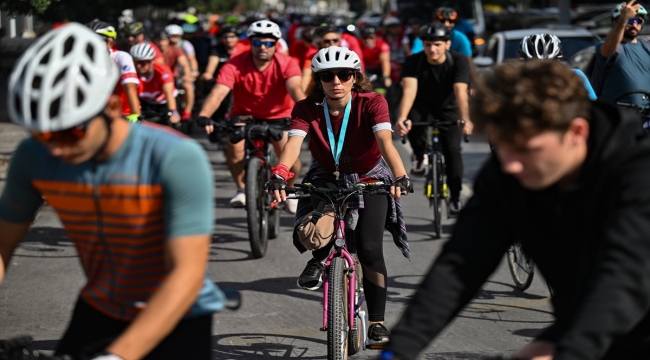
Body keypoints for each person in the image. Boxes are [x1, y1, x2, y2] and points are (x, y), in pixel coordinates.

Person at [382, 59, 650, 360]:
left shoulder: (637, 172)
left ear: (576, 132)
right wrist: (395, 353)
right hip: (580, 323)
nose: (509, 164)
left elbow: (623, 279)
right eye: (503, 146)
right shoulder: (509, 173)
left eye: (526, 149)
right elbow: (459, 266)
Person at [1, 23, 224, 360]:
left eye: (70, 132)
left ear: (110, 108)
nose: (57, 151)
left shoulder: (175, 157)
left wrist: (119, 355)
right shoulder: (33, 156)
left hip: (178, 312)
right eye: (44, 135)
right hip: (101, 303)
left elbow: (186, 273)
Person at [265, 46, 412, 345]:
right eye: (328, 76)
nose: (337, 81)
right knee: (316, 231)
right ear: (318, 80)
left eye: (344, 75)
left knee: (370, 249)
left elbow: (385, 141)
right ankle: (320, 258)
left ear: (355, 77)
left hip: (370, 176)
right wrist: (280, 172)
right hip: (327, 175)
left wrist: (400, 175)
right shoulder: (306, 107)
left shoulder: (372, 102)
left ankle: (377, 323)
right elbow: (293, 144)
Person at [195, 20, 304, 210]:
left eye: (269, 43)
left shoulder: (287, 63)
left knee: (290, 157)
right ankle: (241, 189)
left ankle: (290, 189)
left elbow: (295, 88)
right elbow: (219, 91)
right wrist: (204, 114)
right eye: (257, 43)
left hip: (279, 115)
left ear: (276, 45)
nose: (263, 47)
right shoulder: (235, 64)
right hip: (244, 115)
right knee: (234, 145)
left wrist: (306, 112)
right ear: (250, 43)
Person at [394, 23, 472, 215]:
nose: (432, 49)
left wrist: (466, 118)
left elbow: (460, 91)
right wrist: (402, 118)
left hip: (449, 107)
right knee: (412, 121)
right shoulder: (414, 61)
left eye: (437, 44)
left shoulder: (459, 61)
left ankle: (455, 197)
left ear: (447, 44)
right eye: (428, 44)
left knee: (452, 150)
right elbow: (410, 90)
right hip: (423, 105)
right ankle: (420, 155)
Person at [594, 1, 650, 107]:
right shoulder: (608, 45)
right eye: (630, 20)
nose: (634, 24)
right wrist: (623, 19)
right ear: (615, 22)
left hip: (646, 115)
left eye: (638, 20)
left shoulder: (647, 47)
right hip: (617, 116)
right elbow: (609, 46)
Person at [86, 20, 141, 122]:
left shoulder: (121, 57)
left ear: (110, 43)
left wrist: (136, 115)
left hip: (124, 113)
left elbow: (130, 88)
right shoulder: (85, 59)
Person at [519, 33, 597, 100]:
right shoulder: (517, 81)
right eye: (535, 65)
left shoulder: (574, 75)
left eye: (549, 65)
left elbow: (592, 104)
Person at [130, 43, 182, 126]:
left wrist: (173, 111)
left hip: (165, 101)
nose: (138, 66)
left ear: (151, 61)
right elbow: (132, 96)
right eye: (135, 62)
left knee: (172, 124)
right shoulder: (131, 73)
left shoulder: (162, 71)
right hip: (146, 103)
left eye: (142, 63)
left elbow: (168, 94)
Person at [155, 29, 194, 122]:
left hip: (174, 78)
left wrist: (187, 76)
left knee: (188, 86)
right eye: (159, 40)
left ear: (168, 40)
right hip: (158, 80)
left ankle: (187, 112)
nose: (161, 43)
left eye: (163, 40)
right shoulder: (152, 51)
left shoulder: (176, 50)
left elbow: (184, 64)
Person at [360, 25, 392, 90]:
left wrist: (386, 77)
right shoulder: (358, 44)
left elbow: (385, 61)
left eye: (371, 37)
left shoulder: (382, 45)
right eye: (365, 37)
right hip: (365, 69)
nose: (368, 40)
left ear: (375, 37)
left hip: (378, 69)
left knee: (381, 90)